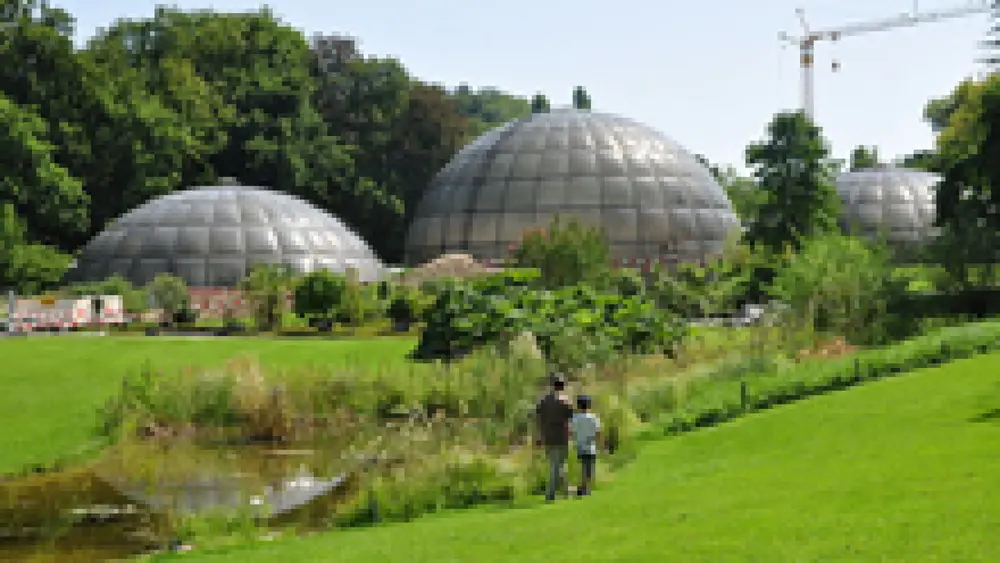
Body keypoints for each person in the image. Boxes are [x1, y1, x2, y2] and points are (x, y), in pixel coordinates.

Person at [535, 372, 574, 502]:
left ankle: (564, 491)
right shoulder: (565, 401)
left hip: (548, 436)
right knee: (559, 465)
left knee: (555, 465)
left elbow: (539, 419)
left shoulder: (544, 401)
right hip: (561, 435)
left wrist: (539, 435)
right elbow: (569, 419)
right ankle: (552, 493)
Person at [571, 394, 601, 496]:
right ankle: (587, 487)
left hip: (580, 445)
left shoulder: (575, 418)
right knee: (590, 468)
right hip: (591, 445)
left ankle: (583, 486)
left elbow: (573, 431)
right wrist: (600, 444)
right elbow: (597, 432)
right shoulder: (593, 418)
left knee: (583, 467)